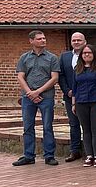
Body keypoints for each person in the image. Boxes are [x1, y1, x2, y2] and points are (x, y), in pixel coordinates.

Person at [13, 30, 60, 166]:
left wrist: (38, 92)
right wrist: (30, 93)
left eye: (44, 38)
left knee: (47, 126)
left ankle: (49, 155)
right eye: (39, 39)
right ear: (31, 41)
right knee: (28, 126)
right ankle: (28, 155)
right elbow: (20, 77)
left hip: (46, 97)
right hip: (28, 98)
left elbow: (55, 78)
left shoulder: (52, 58)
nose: (43, 40)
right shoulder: (24, 58)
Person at [71, 45, 96, 167]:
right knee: (86, 130)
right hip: (81, 102)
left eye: (89, 53)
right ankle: (89, 155)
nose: (87, 55)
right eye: (84, 53)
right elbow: (74, 88)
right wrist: (73, 103)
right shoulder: (77, 69)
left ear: (94, 54)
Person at [58, 32, 86, 162]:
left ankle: (90, 151)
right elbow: (61, 75)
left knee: (88, 125)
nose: (76, 42)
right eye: (74, 40)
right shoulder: (64, 57)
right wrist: (67, 90)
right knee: (73, 124)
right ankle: (75, 151)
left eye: (79, 40)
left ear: (84, 42)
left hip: (87, 96)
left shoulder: (89, 54)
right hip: (70, 96)